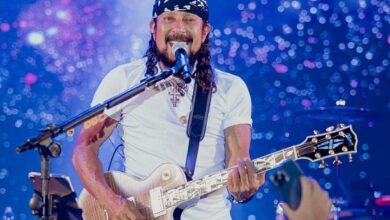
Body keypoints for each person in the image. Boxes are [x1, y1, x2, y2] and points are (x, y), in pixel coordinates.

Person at [72, 0, 265, 219]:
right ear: (153, 27)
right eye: (169, 18)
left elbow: (238, 161)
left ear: (204, 31)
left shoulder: (231, 88)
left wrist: (243, 187)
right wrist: (113, 203)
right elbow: (84, 149)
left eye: (189, 20)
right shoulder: (124, 81)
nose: (179, 28)